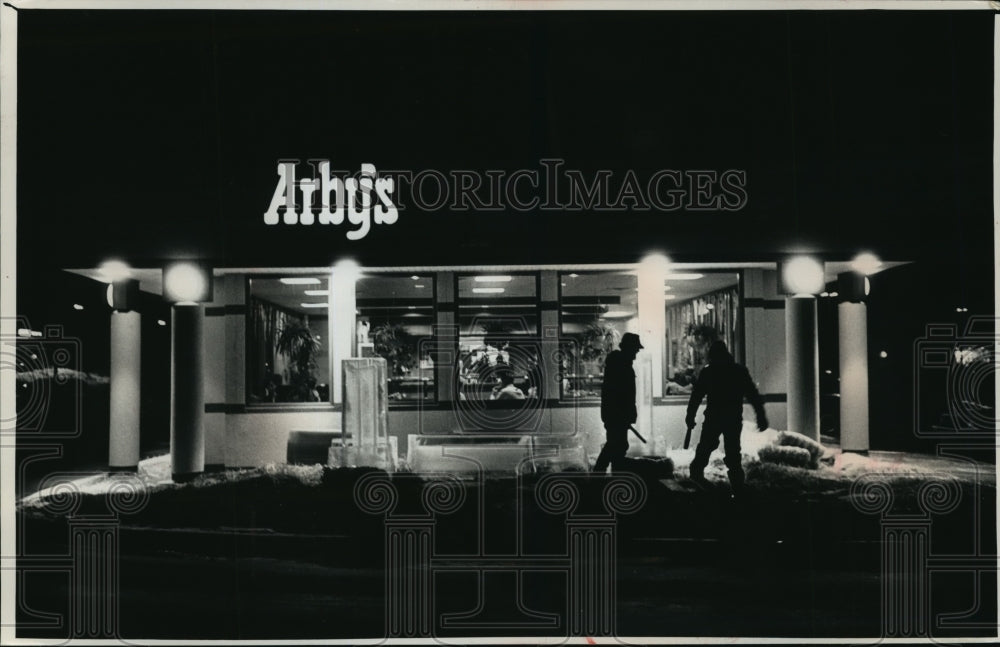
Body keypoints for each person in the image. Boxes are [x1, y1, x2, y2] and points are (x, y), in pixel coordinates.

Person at [685, 340, 768, 495]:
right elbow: (753, 395)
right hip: (732, 417)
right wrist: (761, 415)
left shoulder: (709, 372)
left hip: (714, 417)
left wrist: (690, 416)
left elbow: (696, 396)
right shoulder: (738, 371)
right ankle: (737, 485)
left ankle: (696, 473)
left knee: (707, 446)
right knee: (732, 451)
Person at [593, 332, 643, 473]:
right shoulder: (620, 365)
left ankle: (614, 475)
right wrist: (622, 414)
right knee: (616, 446)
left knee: (617, 446)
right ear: (629, 347)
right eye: (636, 348)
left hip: (617, 415)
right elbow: (617, 393)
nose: (637, 351)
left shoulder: (621, 363)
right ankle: (599, 475)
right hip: (616, 416)